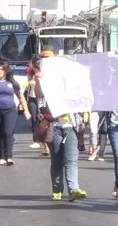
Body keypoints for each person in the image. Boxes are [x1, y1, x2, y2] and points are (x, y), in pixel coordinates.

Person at [34, 47, 87, 201]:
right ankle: (57, 189)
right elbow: (38, 95)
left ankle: (73, 189)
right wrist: (38, 80)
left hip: (71, 125)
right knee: (57, 160)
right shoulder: (44, 78)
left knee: (71, 160)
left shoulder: (70, 79)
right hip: (53, 126)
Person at [0, 62, 31, 165]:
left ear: (5, 70)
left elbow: (20, 96)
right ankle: (2, 157)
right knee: (0, 134)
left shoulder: (11, 82)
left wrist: (26, 110)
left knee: (8, 132)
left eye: (1, 69)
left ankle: (9, 156)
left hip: (10, 111)